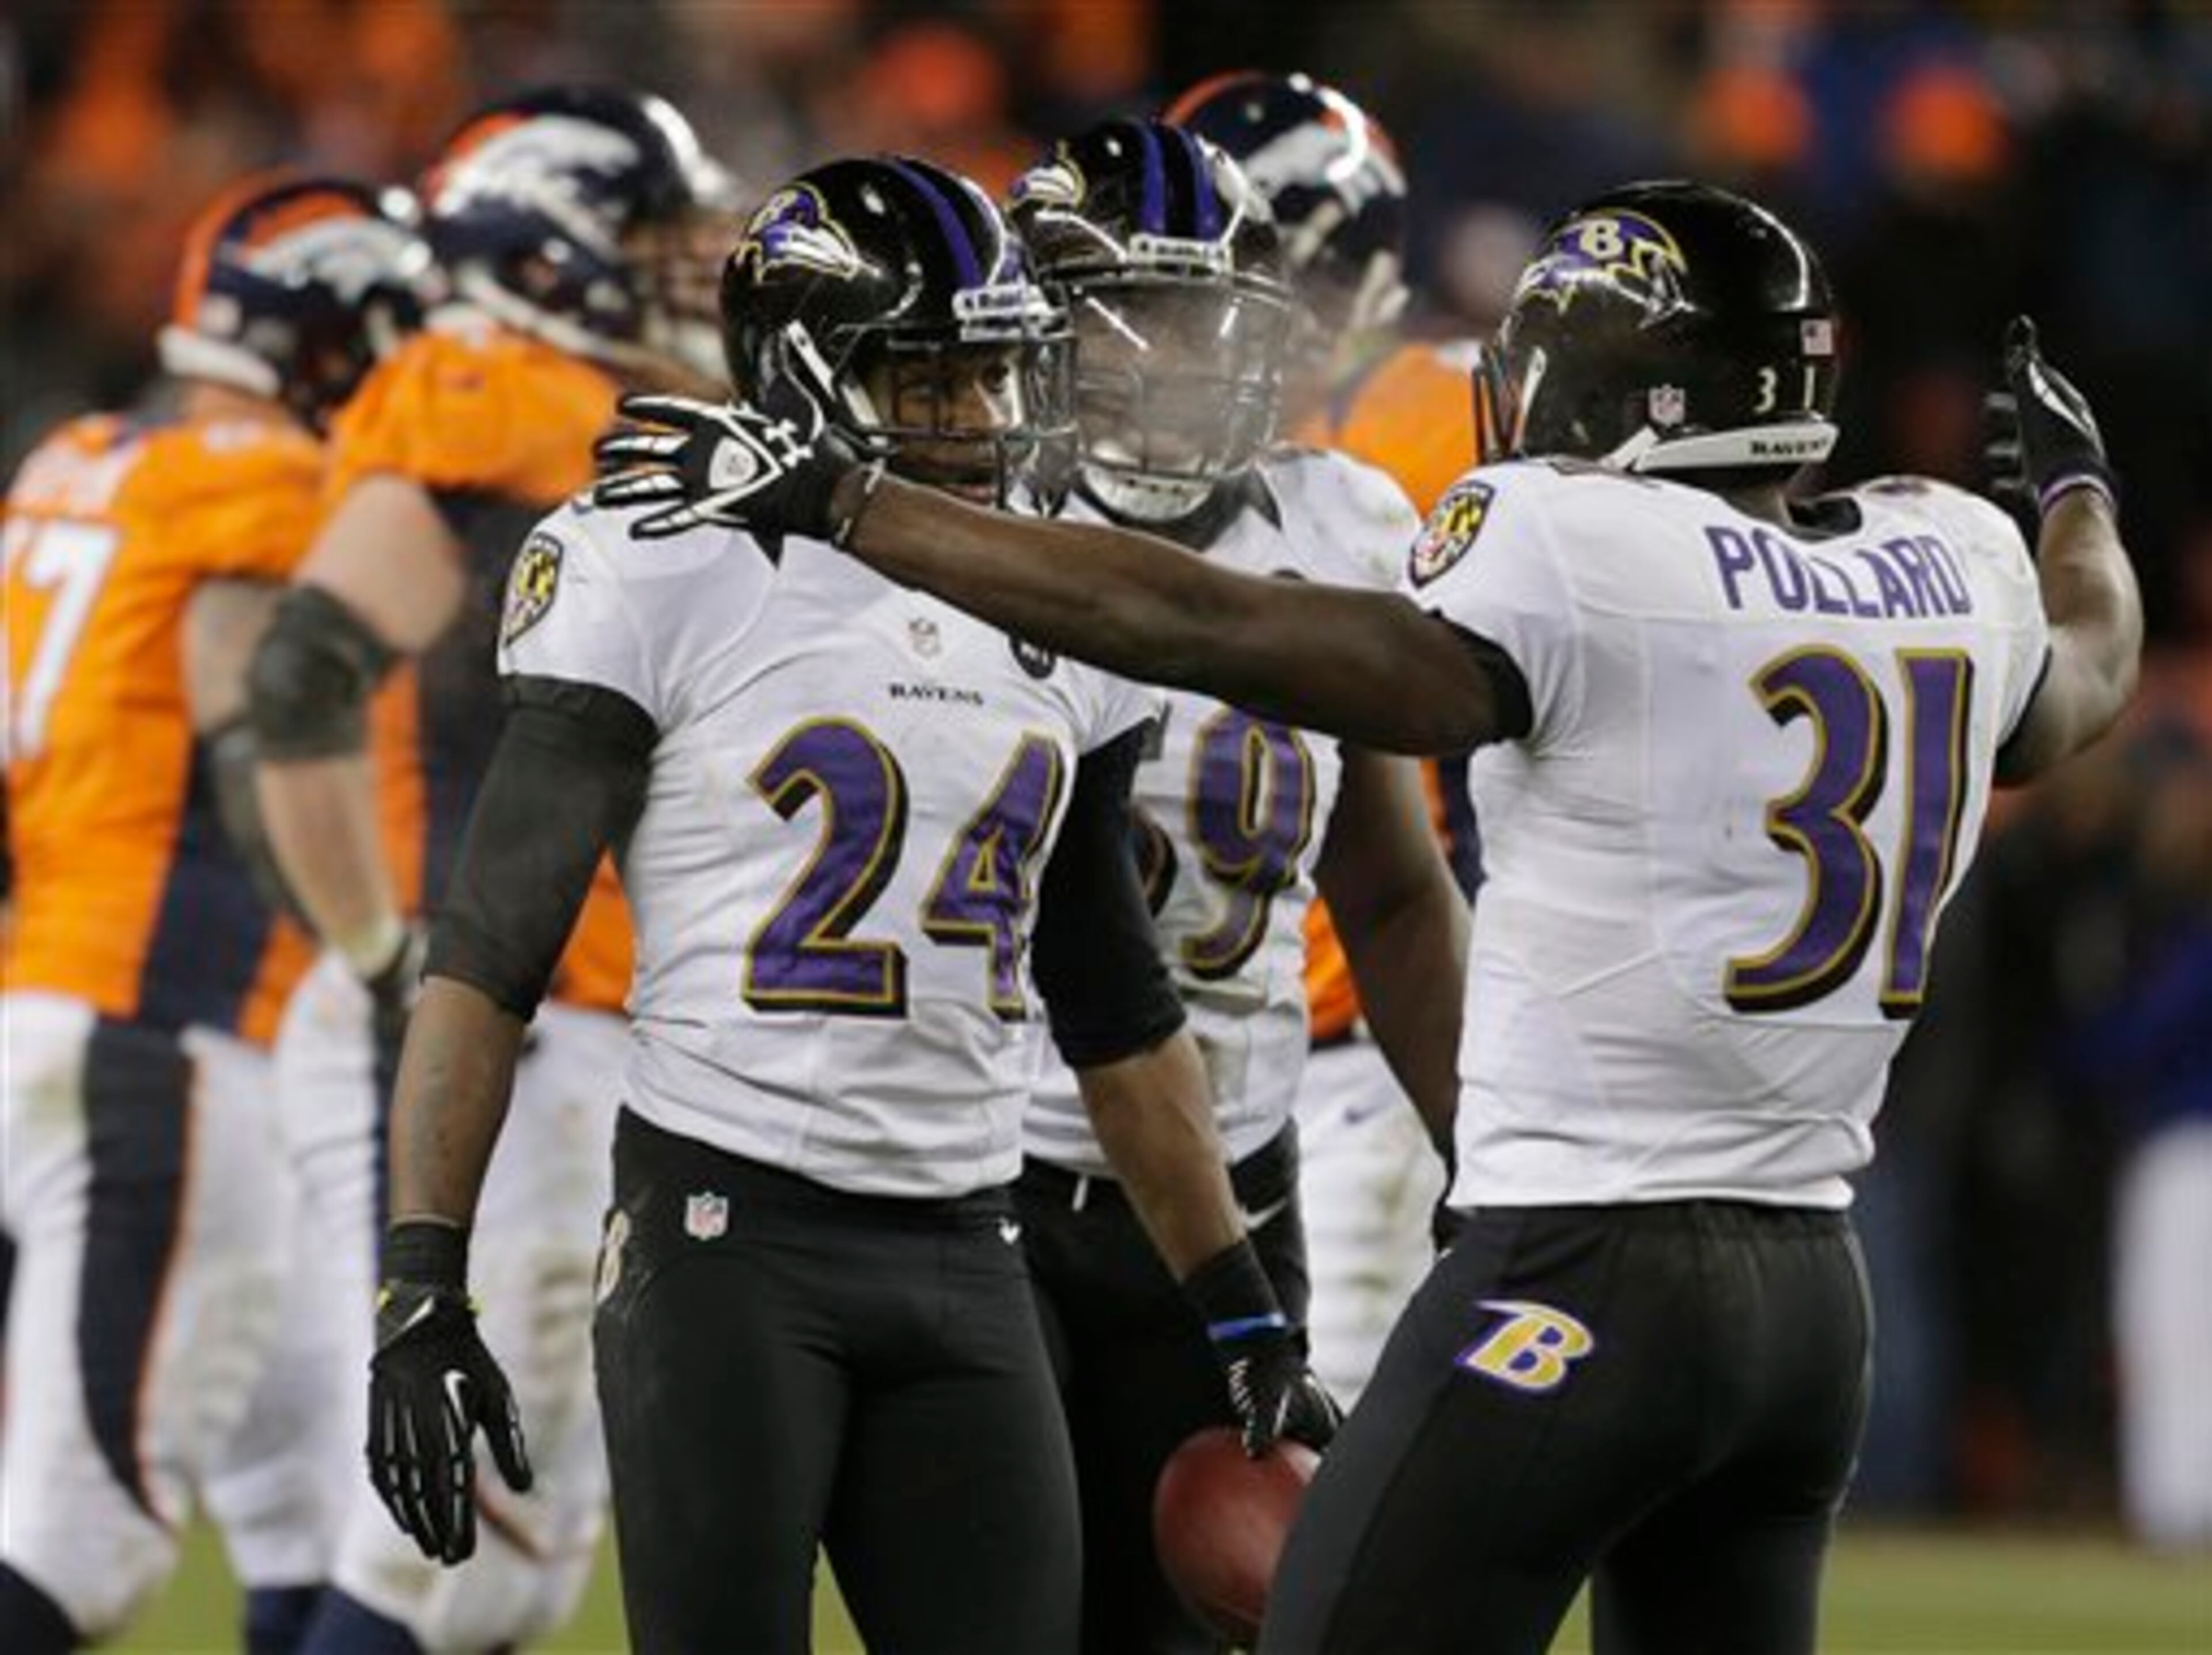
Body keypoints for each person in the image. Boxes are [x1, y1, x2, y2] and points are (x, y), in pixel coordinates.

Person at [592, 177, 2143, 1653]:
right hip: (1812, 1306)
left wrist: (859, 503)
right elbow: (2090, 663)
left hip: (1583, 1271)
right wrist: (2078, 495)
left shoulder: (1577, 545)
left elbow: (1204, 620)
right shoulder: (1955, 555)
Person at [364, 154, 1332, 1655]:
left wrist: (1239, 1299)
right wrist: (425, 1279)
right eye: (934, 382)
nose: (983, 419)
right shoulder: (654, 562)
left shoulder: (1065, 601)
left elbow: (1117, 1004)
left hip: (966, 1242)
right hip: (726, 1232)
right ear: (810, 379)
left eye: (997, 378)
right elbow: (490, 954)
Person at [963, 118, 1465, 1653]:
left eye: (1202, 319)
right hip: (978, 1177)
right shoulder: (969, 529)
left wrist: (1496, 1170)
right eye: (1137, 321)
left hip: (1241, 1183)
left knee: (1204, 1626)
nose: (1176, 362)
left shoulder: (1340, 522)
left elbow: (1391, 889)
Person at [243, 85, 733, 1655]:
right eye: (650, 238)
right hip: (487, 1009)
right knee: (456, 1538)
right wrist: (391, 959)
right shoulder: (485, 388)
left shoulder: (568, 394)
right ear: (552, 242)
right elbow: (304, 674)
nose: (680, 270)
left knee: (512, 1563)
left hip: (566, 1004)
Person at [0, 173, 429, 1655]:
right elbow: (425, 523)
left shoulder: (75, 457)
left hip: (79, 1002)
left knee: (323, 1492)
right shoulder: (250, 488)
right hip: (164, 1035)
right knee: (87, 1548)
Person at [1167, 69, 1486, 1405]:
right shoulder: (1180, 444)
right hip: (1187, 1048)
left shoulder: (1441, 415)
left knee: (1314, 1470)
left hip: (1363, 1036)